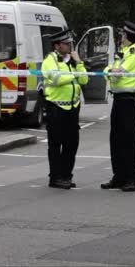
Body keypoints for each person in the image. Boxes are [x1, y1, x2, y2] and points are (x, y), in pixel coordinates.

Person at [41, 29, 89, 189]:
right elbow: (57, 79)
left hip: (73, 108)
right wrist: (74, 74)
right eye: (66, 44)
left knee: (71, 144)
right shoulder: (50, 60)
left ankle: (66, 175)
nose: (69, 46)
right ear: (57, 46)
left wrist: (79, 63)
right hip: (56, 107)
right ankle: (55, 177)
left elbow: (84, 79)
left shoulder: (72, 60)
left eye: (69, 43)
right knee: (55, 145)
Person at [101, 21, 135, 192]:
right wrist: (109, 72)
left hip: (128, 100)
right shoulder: (124, 53)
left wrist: (109, 72)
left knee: (128, 141)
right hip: (118, 99)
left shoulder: (133, 54)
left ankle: (131, 179)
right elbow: (109, 71)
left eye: (122, 35)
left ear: (128, 37)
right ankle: (119, 176)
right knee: (116, 140)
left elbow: (116, 74)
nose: (120, 37)